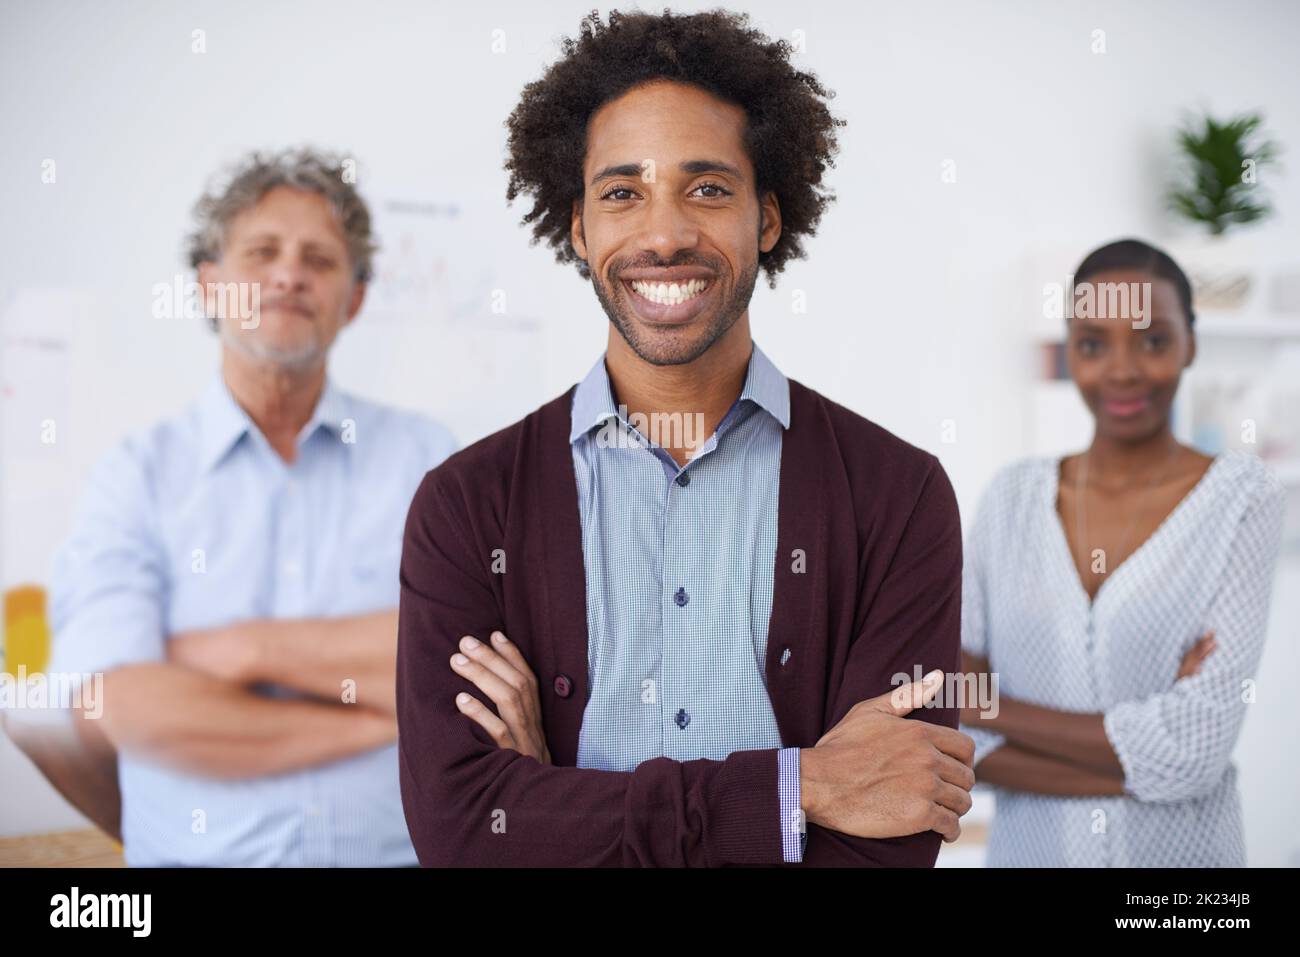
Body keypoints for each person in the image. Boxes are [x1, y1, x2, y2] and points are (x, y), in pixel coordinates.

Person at [396, 9, 975, 867]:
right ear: (580, 229)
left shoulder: (896, 496)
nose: (664, 235)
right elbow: (464, 831)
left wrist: (562, 799)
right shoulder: (467, 506)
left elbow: (888, 841)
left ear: (768, 219)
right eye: (622, 192)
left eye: (707, 188)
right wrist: (801, 787)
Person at [6, 148, 456, 866]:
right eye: (262, 251)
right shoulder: (133, 476)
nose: (288, 273)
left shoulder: (430, 459)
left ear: (355, 299)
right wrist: (383, 719)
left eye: (319, 258)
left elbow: (467, 664)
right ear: (210, 286)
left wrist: (244, 651)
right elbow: (122, 706)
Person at [960, 238, 1285, 866]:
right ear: (1069, 353)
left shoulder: (1242, 499)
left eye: (1153, 340)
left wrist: (987, 703)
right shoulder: (1010, 500)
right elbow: (954, 735)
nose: (1123, 370)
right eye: (1092, 343)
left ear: (1191, 343)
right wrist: (1153, 761)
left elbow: (1199, 746)